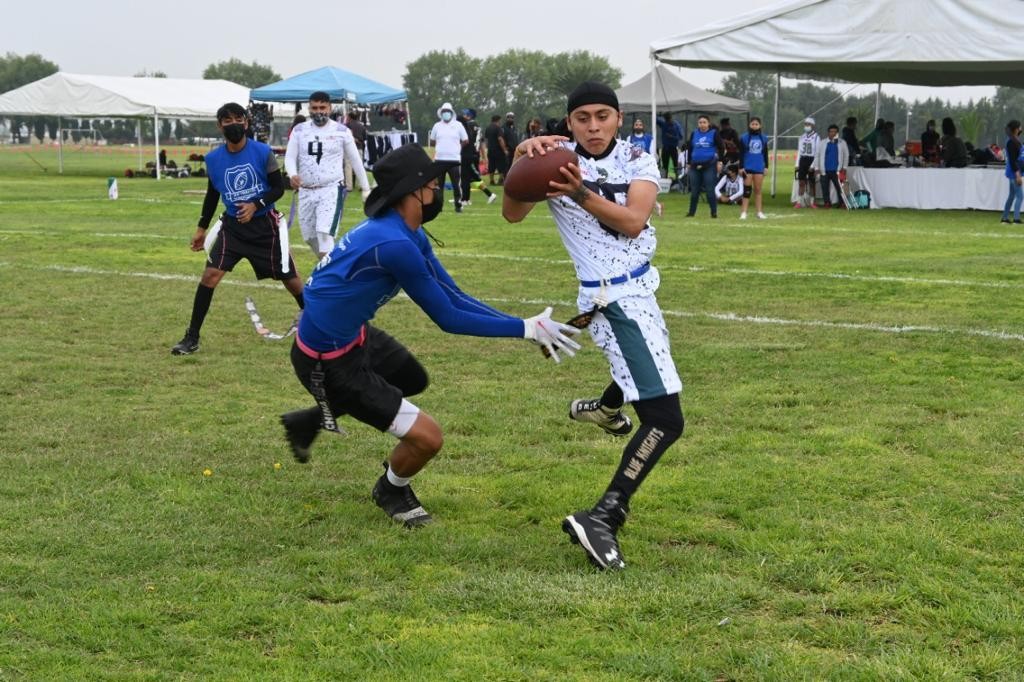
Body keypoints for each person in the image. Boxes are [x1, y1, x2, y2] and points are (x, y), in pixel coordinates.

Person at [280, 143, 581, 527]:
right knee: (429, 438)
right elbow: (448, 317)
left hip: (354, 337)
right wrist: (524, 329)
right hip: (327, 361)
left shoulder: (408, 232)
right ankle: (391, 489)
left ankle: (311, 419)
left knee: (411, 379)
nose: (438, 188)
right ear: (412, 191)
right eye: (432, 183)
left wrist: (525, 324)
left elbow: (454, 295)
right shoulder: (394, 245)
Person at [502, 81, 685, 571]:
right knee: (666, 419)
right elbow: (512, 214)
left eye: (603, 115)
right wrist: (520, 161)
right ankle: (604, 515)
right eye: (582, 118)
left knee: (652, 370)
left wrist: (579, 191)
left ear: (619, 118)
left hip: (641, 288)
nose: (594, 126)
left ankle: (605, 409)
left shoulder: (637, 158)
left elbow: (633, 220)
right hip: (612, 299)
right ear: (569, 123)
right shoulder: (553, 159)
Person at [171, 102, 305, 356]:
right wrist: (201, 229)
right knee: (210, 276)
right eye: (227, 120)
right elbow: (212, 196)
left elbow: (278, 188)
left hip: (265, 227)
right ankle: (192, 337)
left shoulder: (262, 151)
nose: (233, 124)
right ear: (219, 125)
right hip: (233, 228)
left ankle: (318, 324)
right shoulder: (213, 159)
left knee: (290, 279)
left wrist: (256, 205)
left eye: (238, 119)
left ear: (246, 122)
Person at [285, 91, 371, 259]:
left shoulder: (342, 131)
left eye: (322, 107)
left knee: (324, 234)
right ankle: (333, 264)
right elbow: (289, 157)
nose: (319, 111)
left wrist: (366, 188)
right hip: (306, 190)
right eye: (315, 108)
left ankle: (330, 271)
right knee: (310, 238)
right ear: (309, 109)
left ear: (330, 108)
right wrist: (292, 174)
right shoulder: (299, 130)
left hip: (330, 189)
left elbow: (355, 160)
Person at [429, 102, 469, 213]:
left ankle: (458, 205)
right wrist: (440, 145)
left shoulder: (458, 125)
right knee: (439, 185)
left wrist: (458, 147)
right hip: (440, 159)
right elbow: (432, 141)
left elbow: (465, 140)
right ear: (441, 113)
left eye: (448, 111)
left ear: (451, 113)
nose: (446, 113)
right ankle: (439, 207)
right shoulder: (437, 126)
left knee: (456, 185)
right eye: (444, 111)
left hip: (454, 159)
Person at [685, 114, 724, 218]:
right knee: (694, 191)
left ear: (708, 123)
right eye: (700, 122)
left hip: (709, 165)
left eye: (704, 122)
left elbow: (721, 147)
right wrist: (688, 163)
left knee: (710, 190)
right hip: (694, 165)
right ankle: (691, 213)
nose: (702, 124)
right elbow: (690, 148)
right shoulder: (694, 133)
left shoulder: (714, 133)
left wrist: (720, 162)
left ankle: (714, 212)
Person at [458, 108, 497, 206]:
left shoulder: (468, 125)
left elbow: (465, 139)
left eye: (465, 114)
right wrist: (484, 157)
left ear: (469, 116)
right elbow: (482, 143)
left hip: (468, 153)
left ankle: (465, 199)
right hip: (475, 154)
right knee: (472, 177)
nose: (463, 116)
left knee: (466, 177)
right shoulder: (478, 126)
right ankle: (466, 198)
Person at [738, 116, 769, 220]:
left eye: (756, 124)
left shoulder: (763, 138)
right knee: (747, 191)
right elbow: (741, 153)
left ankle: (759, 212)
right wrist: (741, 167)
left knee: (758, 190)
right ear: (749, 125)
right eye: (753, 124)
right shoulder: (744, 138)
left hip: (759, 167)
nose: (754, 126)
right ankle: (744, 212)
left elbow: (765, 153)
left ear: (760, 125)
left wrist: (766, 166)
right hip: (748, 167)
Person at [814, 124, 849, 208]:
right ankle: (827, 203)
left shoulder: (842, 142)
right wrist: (816, 168)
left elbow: (846, 155)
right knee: (824, 188)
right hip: (824, 170)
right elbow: (817, 156)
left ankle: (842, 203)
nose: (833, 133)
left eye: (835, 132)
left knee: (840, 188)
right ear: (828, 133)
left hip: (837, 170)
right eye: (831, 132)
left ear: (837, 133)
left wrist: (844, 167)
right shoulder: (822, 143)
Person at [795, 116, 820, 208]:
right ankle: (799, 202)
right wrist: (797, 163)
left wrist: (813, 165)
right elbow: (799, 151)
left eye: (808, 124)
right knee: (801, 182)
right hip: (803, 160)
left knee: (811, 183)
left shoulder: (816, 137)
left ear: (813, 125)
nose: (806, 126)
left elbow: (817, 152)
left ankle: (812, 202)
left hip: (811, 159)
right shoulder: (802, 137)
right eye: (805, 124)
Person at [1001, 119, 1023, 224]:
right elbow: (1013, 160)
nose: (1021, 128)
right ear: (1016, 129)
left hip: (1014, 171)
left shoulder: (1014, 140)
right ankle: (1016, 219)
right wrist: (1017, 174)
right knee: (1020, 196)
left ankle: (1004, 218)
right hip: (1014, 172)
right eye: (1020, 126)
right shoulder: (1011, 142)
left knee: (1012, 196)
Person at [656, 112, 683, 180]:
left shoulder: (676, 125)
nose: (668, 121)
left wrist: (672, 137)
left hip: (673, 147)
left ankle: (677, 178)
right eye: (666, 119)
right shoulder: (664, 123)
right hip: (665, 147)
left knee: (675, 164)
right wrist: (659, 115)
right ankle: (665, 177)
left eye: (669, 119)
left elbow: (681, 137)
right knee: (665, 164)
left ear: (671, 117)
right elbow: (655, 120)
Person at [345, 111, 368, 191]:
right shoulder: (362, 126)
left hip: (349, 148)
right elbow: (364, 138)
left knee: (348, 167)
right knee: (359, 166)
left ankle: (349, 186)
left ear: (349, 117)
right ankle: (362, 185)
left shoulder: (346, 126)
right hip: (359, 147)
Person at [484, 115, 507, 184]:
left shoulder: (488, 128)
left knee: (491, 165)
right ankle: (500, 180)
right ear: (498, 120)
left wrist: (488, 147)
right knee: (502, 165)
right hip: (498, 150)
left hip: (490, 150)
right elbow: (500, 139)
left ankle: (491, 180)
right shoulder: (498, 128)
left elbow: (486, 139)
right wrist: (504, 150)